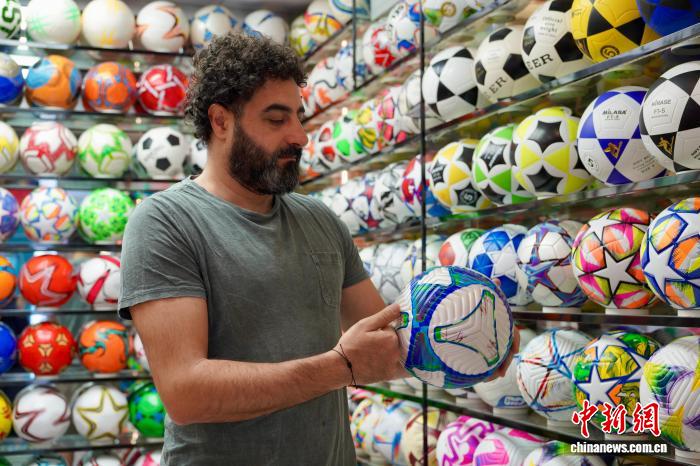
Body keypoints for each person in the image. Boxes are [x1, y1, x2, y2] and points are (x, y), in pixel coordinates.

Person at [119, 33, 516, 466]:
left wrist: (475, 340)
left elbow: (394, 345)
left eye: (299, 116)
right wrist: (340, 367)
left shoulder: (320, 220)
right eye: (276, 119)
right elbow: (185, 393)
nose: (300, 136)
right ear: (220, 121)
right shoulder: (164, 222)